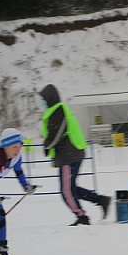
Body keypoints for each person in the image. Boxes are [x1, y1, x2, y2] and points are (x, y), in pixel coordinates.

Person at [40, 84, 111, 226]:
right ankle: (100, 200)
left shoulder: (58, 110)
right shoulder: (57, 109)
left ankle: (81, 217)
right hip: (71, 152)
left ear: (50, 98)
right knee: (71, 188)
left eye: (44, 99)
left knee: (66, 190)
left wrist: (47, 145)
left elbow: (56, 133)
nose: (42, 101)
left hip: (68, 154)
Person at [0, 129, 37, 255]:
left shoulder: (16, 157)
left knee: (0, 217)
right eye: (14, 146)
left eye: (20, 145)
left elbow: (19, 171)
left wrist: (26, 186)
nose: (18, 149)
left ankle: (2, 254)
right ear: (5, 146)